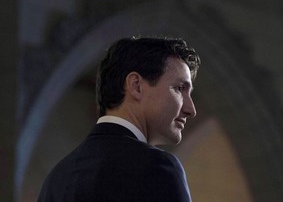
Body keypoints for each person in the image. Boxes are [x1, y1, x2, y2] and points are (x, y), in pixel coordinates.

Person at [38, 36, 200, 202]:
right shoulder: (156, 167)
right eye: (179, 88)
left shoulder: (57, 178)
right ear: (136, 86)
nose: (191, 109)